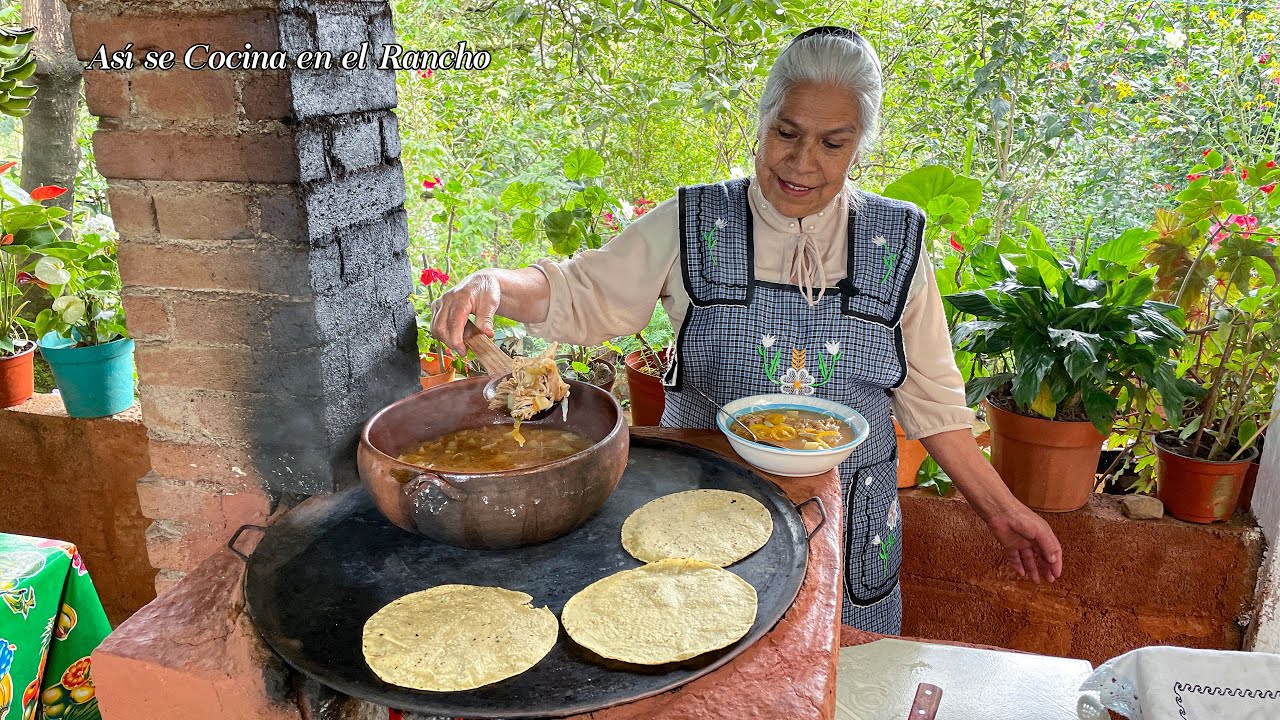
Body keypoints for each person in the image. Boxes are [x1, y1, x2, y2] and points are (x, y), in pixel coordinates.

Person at [431, 26, 1062, 634]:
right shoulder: (694, 221)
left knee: (836, 677)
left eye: (833, 144)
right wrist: (495, 283)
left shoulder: (895, 241)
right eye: (787, 133)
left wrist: (1002, 512)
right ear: (761, 122)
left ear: (859, 147)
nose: (802, 163)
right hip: (703, 509)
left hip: (849, 518)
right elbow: (582, 290)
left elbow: (934, 404)